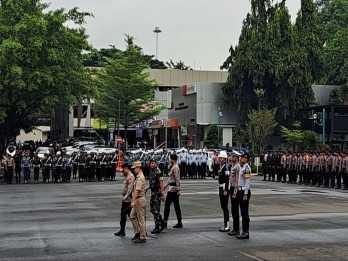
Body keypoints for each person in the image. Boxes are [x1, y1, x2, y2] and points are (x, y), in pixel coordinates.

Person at [114, 164, 134, 237]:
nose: (123, 171)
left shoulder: (130, 177)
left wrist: (125, 197)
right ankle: (122, 230)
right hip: (126, 200)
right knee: (123, 215)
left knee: (131, 216)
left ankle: (138, 231)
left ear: (127, 169)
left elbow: (130, 189)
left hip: (129, 200)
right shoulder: (127, 176)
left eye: (123, 170)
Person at [163, 154, 183, 229]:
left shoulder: (175, 168)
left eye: (170, 159)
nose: (169, 160)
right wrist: (165, 186)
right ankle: (179, 222)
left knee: (167, 204)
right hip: (172, 187)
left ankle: (165, 221)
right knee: (176, 206)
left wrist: (178, 190)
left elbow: (177, 179)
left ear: (173, 160)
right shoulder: (174, 167)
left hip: (173, 189)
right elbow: (170, 178)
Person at [129, 161, 147, 243]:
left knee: (140, 219)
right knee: (132, 216)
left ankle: (142, 236)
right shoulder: (138, 176)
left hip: (139, 199)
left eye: (135, 168)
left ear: (138, 168)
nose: (133, 170)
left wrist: (133, 201)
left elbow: (137, 191)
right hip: (137, 199)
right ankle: (137, 233)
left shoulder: (140, 177)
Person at [236, 153, 252, 240]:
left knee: (245, 213)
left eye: (242, 157)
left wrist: (245, 193)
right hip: (240, 191)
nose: (241, 158)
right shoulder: (242, 167)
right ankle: (244, 231)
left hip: (244, 192)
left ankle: (246, 232)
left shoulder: (246, 168)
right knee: (242, 212)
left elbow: (247, 182)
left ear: (246, 158)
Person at [148, 159, 165, 234]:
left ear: (156, 163)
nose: (151, 164)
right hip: (153, 192)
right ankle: (162, 221)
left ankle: (157, 226)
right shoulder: (152, 170)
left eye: (152, 163)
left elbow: (161, 183)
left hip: (157, 193)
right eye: (150, 163)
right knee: (152, 209)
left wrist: (162, 193)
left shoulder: (158, 171)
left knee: (156, 210)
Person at [228, 153, 241, 236]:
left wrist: (235, 192)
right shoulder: (233, 166)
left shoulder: (237, 167)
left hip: (235, 189)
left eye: (233, 157)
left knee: (235, 210)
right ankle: (235, 228)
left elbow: (237, 181)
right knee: (233, 209)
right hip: (231, 188)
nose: (231, 158)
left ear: (236, 158)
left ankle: (236, 229)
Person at [217, 150, 230, 232]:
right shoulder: (222, 166)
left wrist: (226, 190)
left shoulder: (226, 167)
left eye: (221, 158)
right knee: (223, 207)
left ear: (224, 159)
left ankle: (227, 225)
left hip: (224, 188)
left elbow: (227, 179)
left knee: (225, 207)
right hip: (221, 188)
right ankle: (225, 224)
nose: (220, 159)